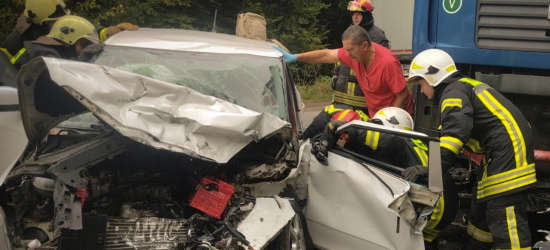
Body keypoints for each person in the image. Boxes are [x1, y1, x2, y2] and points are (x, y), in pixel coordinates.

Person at [408, 49, 536, 250]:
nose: (422, 91)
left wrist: (431, 170)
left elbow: (454, 134)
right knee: (482, 212)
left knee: (504, 218)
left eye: (421, 83)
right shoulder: (462, 87)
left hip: (506, 152)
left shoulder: (453, 91)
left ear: (432, 77)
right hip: (502, 150)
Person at [324, 107, 459, 250]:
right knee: (424, 240)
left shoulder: (397, 143)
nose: (375, 131)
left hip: (432, 207)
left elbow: (388, 142)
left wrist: (355, 132)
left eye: (378, 127)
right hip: (448, 205)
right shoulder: (416, 143)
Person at [275, 24, 413, 121]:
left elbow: (403, 95)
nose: (347, 54)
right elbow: (327, 55)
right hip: (378, 118)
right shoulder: (355, 55)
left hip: (399, 119)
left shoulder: (387, 63)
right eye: (345, 49)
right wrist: (296, 57)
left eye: (350, 49)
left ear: (364, 46)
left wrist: (391, 121)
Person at [300, 0, 391, 140]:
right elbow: (340, 57)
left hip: (360, 102)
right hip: (341, 96)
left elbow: (380, 68)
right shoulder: (350, 32)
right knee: (328, 130)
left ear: (367, 15)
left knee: (350, 136)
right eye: (353, 14)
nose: (355, 17)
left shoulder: (377, 36)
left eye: (359, 14)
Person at [1, 0, 137, 68]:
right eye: (55, 22)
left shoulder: (59, 27)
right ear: (40, 24)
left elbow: (85, 32)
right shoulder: (14, 43)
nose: (62, 23)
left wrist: (108, 33)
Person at [14, 15, 101, 69]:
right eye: (84, 44)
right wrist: (81, 61)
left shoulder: (50, 49)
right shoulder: (44, 53)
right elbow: (58, 81)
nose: (85, 50)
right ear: (68, 40)